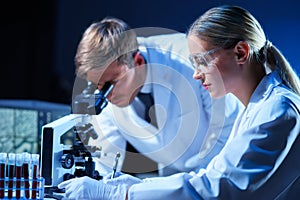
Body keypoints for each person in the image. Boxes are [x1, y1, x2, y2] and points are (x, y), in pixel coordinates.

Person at [59, 5, 300, 199]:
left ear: (240, 53)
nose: (196, 74)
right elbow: (217, 177)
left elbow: (220, 187)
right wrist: (130, 186)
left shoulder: (277, 111)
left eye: (202, 61)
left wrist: (124, 193)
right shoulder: (260, 108)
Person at [71, 17, 242, 176]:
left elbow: (229, 129)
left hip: (222, 171)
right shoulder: (101, 89)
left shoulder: (193, 61)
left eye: (112, 83)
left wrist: (201, 181)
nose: (106, 96)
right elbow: (106, 163)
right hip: (172, 175)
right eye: (98, 86)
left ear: (137, 62)